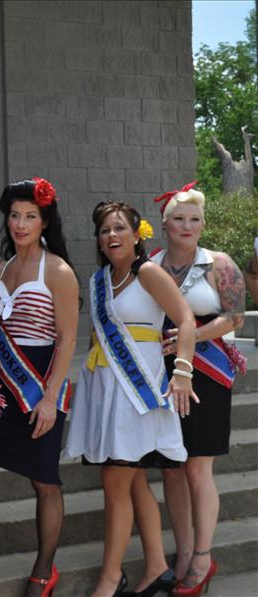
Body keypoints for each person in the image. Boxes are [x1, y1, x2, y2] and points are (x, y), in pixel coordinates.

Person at [63, 201, 197, 597]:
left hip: (139, 389)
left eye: (120, 228)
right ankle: (156, 567)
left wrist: (183, 371)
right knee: (134, 480)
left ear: (137, 234)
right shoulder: (101, 280)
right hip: (107, 388)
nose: (112, 236)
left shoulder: (148, 272)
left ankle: (110, 578)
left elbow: (186, 319)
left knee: (114, 482)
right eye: (105, 230)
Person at [0, 178, 79, 597]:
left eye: (30, 216)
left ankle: (44, 567)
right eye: (14, 215)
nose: (20, 224)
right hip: (3, 384)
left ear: (44, 221)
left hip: (41, 384)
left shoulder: (58, 271)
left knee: (44, 480)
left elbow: (68, 340)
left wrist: (50, 398)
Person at [151, 183, 246, 596]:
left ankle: (204, 557)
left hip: (207, 373)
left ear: (203, 224)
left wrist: (191, 336)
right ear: (164, 223)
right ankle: (185, 551)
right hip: (162, 372)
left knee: (197, 467)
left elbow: (236, 317)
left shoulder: (219, 263)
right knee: (172, 468)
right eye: (178, 218)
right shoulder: (151, 264)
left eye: (194, 219)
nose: (186, 226)